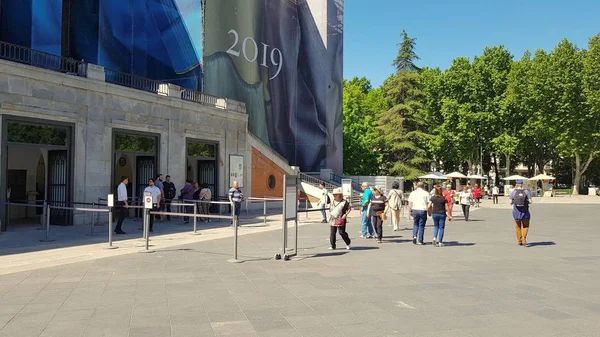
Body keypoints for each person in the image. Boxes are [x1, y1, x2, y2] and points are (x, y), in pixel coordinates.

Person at [509, 181, 532, 246]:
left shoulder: (514, 192)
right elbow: (530, 201)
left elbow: (510, 202)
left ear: (516, 184)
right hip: (525, 212)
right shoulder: (526, 192)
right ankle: (524, 237)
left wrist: (514, 202)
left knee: (518, 226)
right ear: (522, 185)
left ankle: (519, 241)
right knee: (526, 225)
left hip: (516, 212)